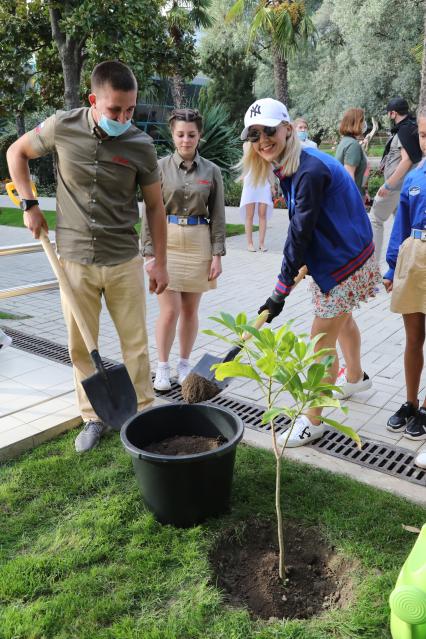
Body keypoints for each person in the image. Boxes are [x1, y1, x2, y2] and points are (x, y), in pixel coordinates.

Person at [7, 60, 168, 453]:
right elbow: (17, 152)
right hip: (74, 261)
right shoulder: (62, 126)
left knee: (136, 344)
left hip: (123, 260)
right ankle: (92, 417)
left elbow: (155, 207)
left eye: (131, 110)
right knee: (80, 344)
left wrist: (159, 260)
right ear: (94, 100)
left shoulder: (140, 146)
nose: (124, 118)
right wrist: (29, 204)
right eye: (115, 110)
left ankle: (141, 414)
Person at [239, 97, 381, 447]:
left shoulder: (307, 170)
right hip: (344, 255)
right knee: (341, 321)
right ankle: (357, 378)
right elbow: (309, 227)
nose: (262, 140)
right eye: (254, 134)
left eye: (269, 131)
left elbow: (298, 233)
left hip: (344, 262)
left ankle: (313, 419)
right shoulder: (294, 164)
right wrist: (296, 269)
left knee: (320, 342)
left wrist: (279, 291)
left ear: (287, 129)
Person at [142, 108, 226, 392]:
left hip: (199, 240)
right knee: (170, 309)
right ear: (172, 135)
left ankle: (184, 364)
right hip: (167, 240)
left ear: (199, 135)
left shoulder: (212, 171)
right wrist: (149, 253)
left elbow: (218, 214)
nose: (186, 140)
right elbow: (150, 211)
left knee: (190, 310)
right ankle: (162, 367)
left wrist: (217, 255)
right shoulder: (160, 167)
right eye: (180, 134)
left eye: (191, 135)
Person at [383, 106, 426, 467]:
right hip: (414, 258)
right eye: (424, 135)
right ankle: (411, 401)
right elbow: (402, 225)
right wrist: (391, 265)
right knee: (413, 337)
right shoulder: (414, 176)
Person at [370, 97, 422, 264]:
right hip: (404, 187)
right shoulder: (411, 128)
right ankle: (400, 266)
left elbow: (406, 160)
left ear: (393, 113)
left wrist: (388, 184)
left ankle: (372, 268)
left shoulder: (403, 131)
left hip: (395, 187)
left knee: (375, 220)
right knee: (401, 226)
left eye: (389, 113)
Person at [239, 167, 273, 252]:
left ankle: (261, 243)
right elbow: (245, 165)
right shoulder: (249, 153)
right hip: (250, 183)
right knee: (249, 214)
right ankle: (250, 243)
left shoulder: (266, 153)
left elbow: (270, 168)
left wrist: (272, 185)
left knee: (262, 214)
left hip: (264, 183)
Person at [335, 108, 368, 195]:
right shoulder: (353, 145)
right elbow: (349, 176)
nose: (364, 124)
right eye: (362, 121)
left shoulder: (345, 141)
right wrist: (353, 200)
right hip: (351, 195)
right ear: (356, 123)